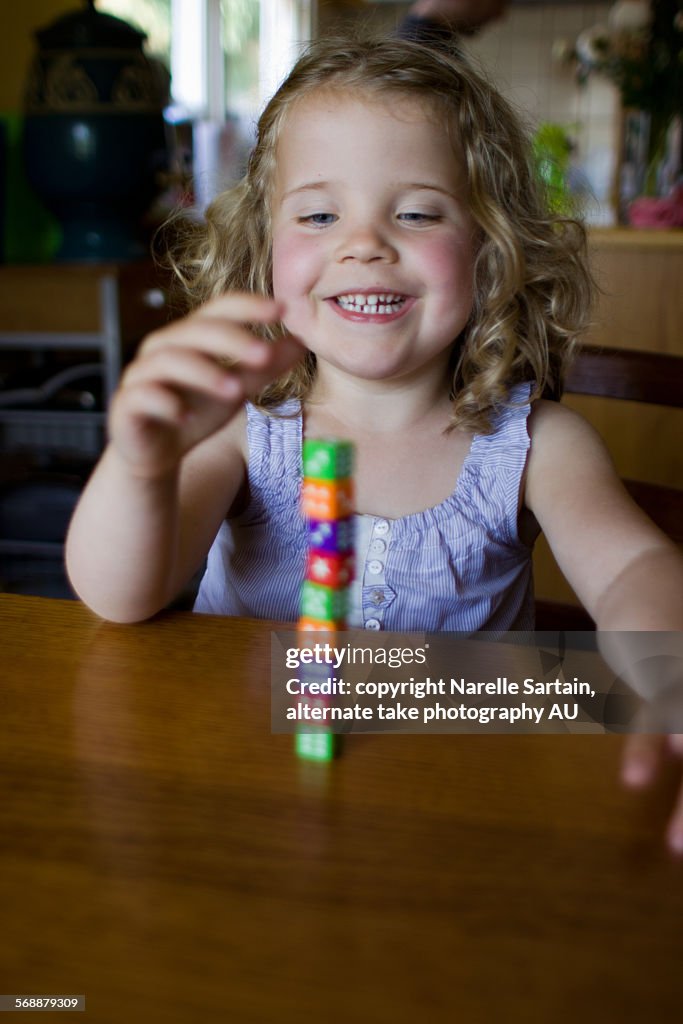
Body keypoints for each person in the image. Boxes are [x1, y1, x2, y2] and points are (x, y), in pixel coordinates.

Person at [65, 35, 683, 848]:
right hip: (241, 794)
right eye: (318, 215)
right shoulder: (243, 436)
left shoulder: (537, 444)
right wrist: (139, 466)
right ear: (263, 249)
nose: (363, 243)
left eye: (417, 212)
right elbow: (120, 595)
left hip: (460, 812)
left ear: (490, 251)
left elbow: (635, 569)